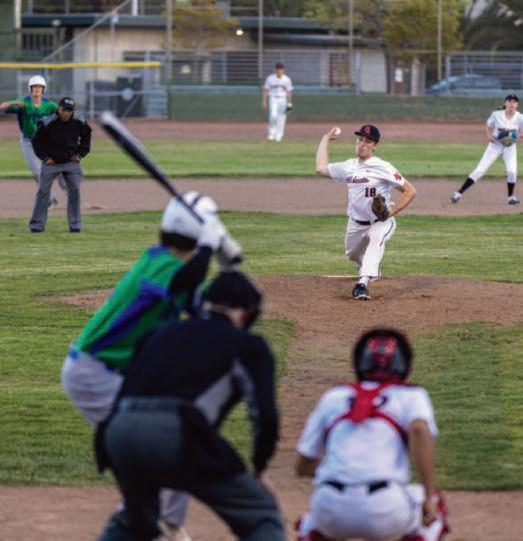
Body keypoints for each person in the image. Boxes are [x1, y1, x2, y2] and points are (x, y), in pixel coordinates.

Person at [62, 192, 237, 538]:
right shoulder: (160, 263)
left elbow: (204, 313)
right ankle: (145, 521)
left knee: (179, 437)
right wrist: (208, 246)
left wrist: (226, 264)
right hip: (94, 374)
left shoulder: (177, 269)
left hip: (122, 375)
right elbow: (184, 281)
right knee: (155, 448)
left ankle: (164, 522)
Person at [97, 270, 284, 541]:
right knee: (262, 516)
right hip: (176, 431)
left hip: (117, 431)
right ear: (246, 313)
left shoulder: (159, 334)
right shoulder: (249, 346)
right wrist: (260, 468)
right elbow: (265, 415)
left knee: (136, 521)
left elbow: (126, 390)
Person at [295, 328, 449, 541]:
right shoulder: (412, 395)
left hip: (330, 506)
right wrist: (428, 495)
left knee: (310, 523)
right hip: (385, 508)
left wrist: (346, 471)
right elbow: (419, 430)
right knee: (434, 505)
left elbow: (302, 468)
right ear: (404, 365)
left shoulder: (335, 395)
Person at [316, 124, 416, 300]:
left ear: (374, 146)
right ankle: (368, 269)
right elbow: (321, 168)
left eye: (368, 141)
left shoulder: (383, 167)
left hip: (380, 221)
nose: (363, 144)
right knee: (352, 255)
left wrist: (390, 212)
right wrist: (325, 139)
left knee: (375, 240)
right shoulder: (348, 166)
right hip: (355, 222)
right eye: (360, 139)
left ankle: (362, 284)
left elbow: (410, 191)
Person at [0, 74, 65, 207]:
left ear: (43, 89)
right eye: (34, 86)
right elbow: (2, 107)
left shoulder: (49, 105)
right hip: (28, 142)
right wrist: (13, 103)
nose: (37, 89)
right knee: (37, 171)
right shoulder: (24, 102)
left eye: (39, 87)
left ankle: (72, 192)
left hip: (46, 141)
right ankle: (49, 198)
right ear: (30, 89)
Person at [29, 97, 92, 233]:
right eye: (64, 110)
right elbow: (36, 140)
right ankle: (36, 226)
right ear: (58, 109)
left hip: (71, 163)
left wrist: (80, 154)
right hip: (51, 164)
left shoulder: (79, 121)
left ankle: (75, 225)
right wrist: (45, 157)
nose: (66, 113)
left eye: (69, 110)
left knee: (74, 191)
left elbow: (87, 136)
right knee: (43, 192)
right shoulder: (48, 122)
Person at [450, 93, 523, 205]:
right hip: (495, 145)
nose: (512, 104)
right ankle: (458, 193)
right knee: (480, 170)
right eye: (509, 101)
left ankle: (510, 197)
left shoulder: (520, 117)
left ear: (517, 104)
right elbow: (488, 125)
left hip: (510, 147)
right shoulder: (497, 114)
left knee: (512, 171)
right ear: (505, 103)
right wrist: (489, 135)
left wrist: (517, 136)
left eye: (514, 102)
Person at [263, 62, 293, 142]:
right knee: (273, 115)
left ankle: (279, 135)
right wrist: (264, 101)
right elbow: (266, 90)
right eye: (278, 69)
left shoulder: (286, 79)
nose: (279, 70)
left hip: (283, 99)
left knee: (282, 118)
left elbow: (289, 92)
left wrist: (289, 103)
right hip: (273, 98)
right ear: (275, 69)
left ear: (283, 70)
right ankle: (271, 133)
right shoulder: (270, 78)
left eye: (281, 69)